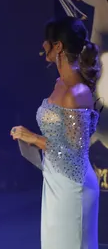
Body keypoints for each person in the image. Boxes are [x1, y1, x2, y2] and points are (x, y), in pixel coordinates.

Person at [10, 16, 101, 249]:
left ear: (58, 46)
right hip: (54, 180)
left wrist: (34, 138)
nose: (43, 45)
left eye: (47, 41)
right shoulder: (60, 83)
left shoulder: (77, 92)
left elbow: (74, 152)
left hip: (73, 187)